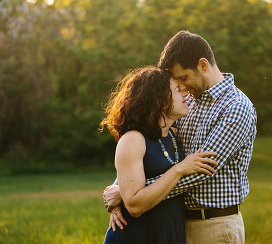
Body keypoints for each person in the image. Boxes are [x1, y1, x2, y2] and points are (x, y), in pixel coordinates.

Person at [103, 31, 257, 244]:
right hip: (177, 223)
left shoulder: (236, 108)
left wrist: (127, 194)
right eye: (178, 83)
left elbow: (199, 171)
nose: (182, 87)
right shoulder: (188, 102)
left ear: (203, 65)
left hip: (214, 225)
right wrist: (125, 185)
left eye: (184, 78)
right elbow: (153, 149)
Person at [99, 66, 219, 243]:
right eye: (177, 90)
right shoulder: (133, 139)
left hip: (168, 234)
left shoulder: (173, 136)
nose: (185, 92)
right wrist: (179, 170)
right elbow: (134, 205)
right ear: (161, 100)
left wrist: (117, 193)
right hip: (136, 236)